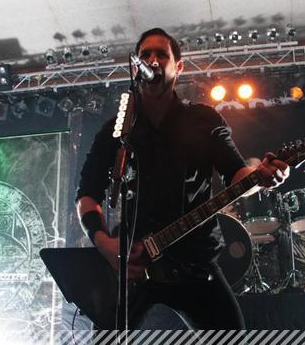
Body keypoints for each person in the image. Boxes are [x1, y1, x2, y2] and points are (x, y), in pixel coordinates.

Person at [76, 27, 289, 329]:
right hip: (135, 263)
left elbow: (236, 174)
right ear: (135, 67)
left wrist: (261, 177)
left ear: (178, 67)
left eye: (161, 55)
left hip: (195, 263)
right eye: (145, 54)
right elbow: (87, 193)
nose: (152, 60)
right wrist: (102, 243)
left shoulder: (203, 120)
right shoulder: (116, 131)